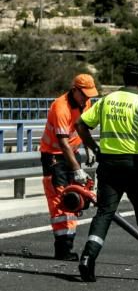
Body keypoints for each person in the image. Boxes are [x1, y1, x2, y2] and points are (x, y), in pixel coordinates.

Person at [76, 61, 138, 282]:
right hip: (136, 166)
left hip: (109, 165)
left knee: (104, 213)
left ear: (124, 79)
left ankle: (88, 258)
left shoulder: (107, 101)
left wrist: (95, 148)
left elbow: (81, 125)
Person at [39, 73, 100, 261]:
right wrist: (77, 169)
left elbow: (82, 127)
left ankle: (68, 245)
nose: (87, 99)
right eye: (84, 94)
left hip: (73, 153)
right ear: (74, 90)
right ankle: (62, 249)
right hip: (54, 156)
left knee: (74, 200)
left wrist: (88, 148)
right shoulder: (60, 107)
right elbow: (62, 142)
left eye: (90, 95)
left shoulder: (85, 103)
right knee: (60, 201)